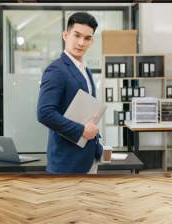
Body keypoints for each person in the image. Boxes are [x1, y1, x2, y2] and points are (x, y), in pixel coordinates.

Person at [37, 12, 102, 174]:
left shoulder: (85, 70)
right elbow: (44, 113)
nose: (81, 43)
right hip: (67, 162)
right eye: (77, 35)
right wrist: (81, 131)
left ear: (91, 41)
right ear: (65, 35)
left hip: (88, 156)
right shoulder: (56, 70)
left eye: (87, 38)